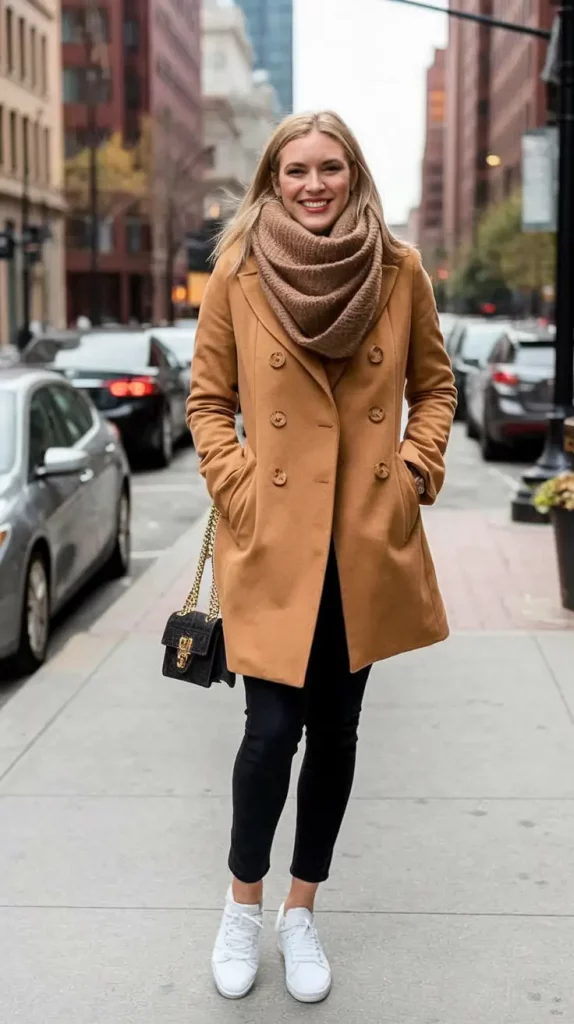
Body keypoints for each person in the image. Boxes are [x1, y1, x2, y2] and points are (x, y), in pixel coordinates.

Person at [187, 110, 457, 1004]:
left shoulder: (397, 270)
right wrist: (241, 490)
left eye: (329, 168)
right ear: (272, 179)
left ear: (353, 175)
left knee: (334, 736)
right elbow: (208, 402)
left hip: (361, 548)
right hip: (275, 547)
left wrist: (412, 472)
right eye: (296, 169)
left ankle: (301, 911)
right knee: (270, 735)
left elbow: (434, 385)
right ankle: (242, 904)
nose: (313, 184)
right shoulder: (239, 273)